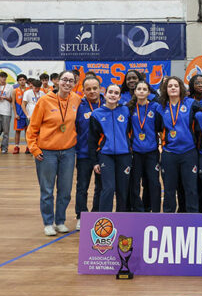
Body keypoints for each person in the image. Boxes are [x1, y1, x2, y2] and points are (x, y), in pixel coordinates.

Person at [26, 70, 81, 236]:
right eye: (64, 79)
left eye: (71, 81)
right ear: (57, 81)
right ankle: (48, 222)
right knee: (47, 190)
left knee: (65, 190)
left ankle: (60, 221)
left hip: (68, 152)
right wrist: (34, 148)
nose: (67, 83)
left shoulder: (76, 99)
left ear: (75, 83)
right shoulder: (44, 100)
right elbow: (32, 127)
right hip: (47, 153)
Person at [88, 84, 132, 212]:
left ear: (119, 97)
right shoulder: (96, 114)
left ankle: (121, 218)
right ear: (105, 94)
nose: (113, 95)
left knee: (123, 189)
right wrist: (94, 162)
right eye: (110, 92)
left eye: (116, 93)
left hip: (124, 155)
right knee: (108, 188)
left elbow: (130, 132)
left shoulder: (126, 111)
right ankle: (105, 218)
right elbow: (92, 140)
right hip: (105, 155)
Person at [158, 77, 199, 213]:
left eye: (176, 85)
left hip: (188, 152)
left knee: (190, 188)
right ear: (165, 89)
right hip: (169, 153)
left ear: (181, 88)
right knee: (169, 188)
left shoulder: (191, 104)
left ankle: (192, 215)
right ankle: (168, 216)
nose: (173, 88)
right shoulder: (160, 107)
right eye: (170, 86)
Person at [127, 81, 163, 213]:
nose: (141, 91)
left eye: (144, 89)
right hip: (135, 152)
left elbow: (159, 126)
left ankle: (155, 210)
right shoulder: (129, 108)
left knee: (153, 182)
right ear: (135, 92)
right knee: (135, 183)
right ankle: (138, 210)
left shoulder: (155, 107)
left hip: (152, 151)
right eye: (139, 89)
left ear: (149, 92)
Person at [75, 76, 104, 229]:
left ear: (100, 89)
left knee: (101, 186)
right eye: (88, 89)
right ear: (83, 91)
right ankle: (81, 215)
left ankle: (96, 214)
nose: (92, 91)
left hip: (103, 154)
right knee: (82, 187)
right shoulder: (79, 106)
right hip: (84, 153)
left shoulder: (108, 104)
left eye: (95, 88)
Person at [13, 73, 28, 154]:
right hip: (19, 114)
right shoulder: (15, 91)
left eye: (23, 80)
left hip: (27, 114)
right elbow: (13, 103)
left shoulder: (29, 90)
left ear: (26, 80)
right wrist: (15, 114)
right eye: (20, 80)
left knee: (27, 131)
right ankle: (16, 147)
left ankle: (28, 147)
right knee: (17, 131)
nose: (22, 81)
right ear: (18, 81)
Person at [0, 71, 13, 153]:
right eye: (2, 77)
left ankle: (4, 148)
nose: (3, 78)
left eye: (5, 77)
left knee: (6, 131)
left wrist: (5, 98)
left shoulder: (10, 87)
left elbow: (12, 100)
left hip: (6, 111)